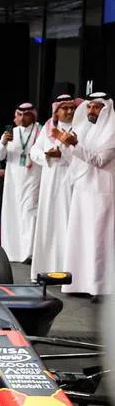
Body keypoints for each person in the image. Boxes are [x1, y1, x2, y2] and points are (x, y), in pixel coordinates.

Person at [55, 92, 115, 301]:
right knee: (80, 237)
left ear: (106, 109)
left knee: (98, 240)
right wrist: (64, 143)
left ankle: (100, 287)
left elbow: (99, 160)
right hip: (82, 190)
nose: (91, 111)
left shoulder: (112, 130)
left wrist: (74, 144)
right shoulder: (85, 128)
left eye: (97, 107)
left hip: (102, 192)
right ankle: (79, 282)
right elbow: (75, 158)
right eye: (89, 107)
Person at [30, 94, 80, 277]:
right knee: (49, 223)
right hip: (50, 183)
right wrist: (47, 155)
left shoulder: (81, 127)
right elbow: (34, 151)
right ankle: (46, 270)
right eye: (64, 108)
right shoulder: (49, 129)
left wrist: (64, 155)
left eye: (71, 108)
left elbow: (87, 156)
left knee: (68, 223)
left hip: (71, 182)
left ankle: (69, 271)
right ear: (56, 111)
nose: (69, 111)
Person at [0, 102, 42, 263]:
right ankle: (13, 251)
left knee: (29, 213)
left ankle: (29, 253)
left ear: (32, 115)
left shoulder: (40, 131)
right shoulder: (11, 133)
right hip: (13, 180)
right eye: (19, 114)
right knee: (13, 213)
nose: (22, 118)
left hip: (33, 178)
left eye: (26, 114)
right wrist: (3, 143)